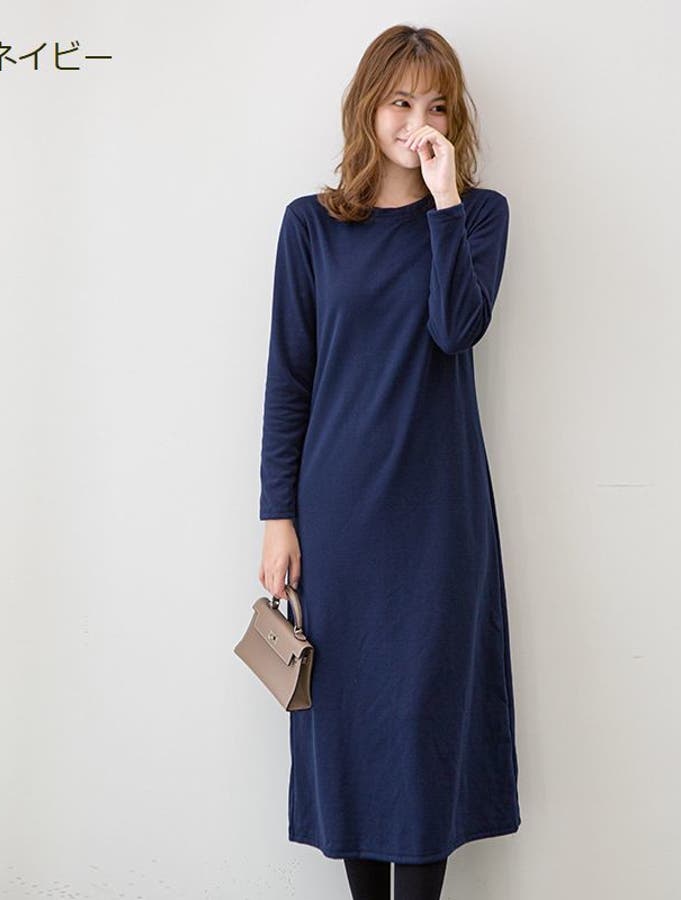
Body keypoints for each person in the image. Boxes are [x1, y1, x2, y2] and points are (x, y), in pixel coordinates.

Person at [257, 23, 520, 900]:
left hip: (439, 515)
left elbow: (456, 328)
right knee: (350, 723)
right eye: (401, 102)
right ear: (368, 107)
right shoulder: (312, 226)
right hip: (338, 517)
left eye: (437, 106)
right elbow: (289, 379)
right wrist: (277, 516)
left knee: (423, 718)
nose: (418, 122)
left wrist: (444, 201)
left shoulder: (479, 215)